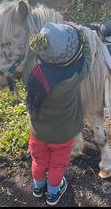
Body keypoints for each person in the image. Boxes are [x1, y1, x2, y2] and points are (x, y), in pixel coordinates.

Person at [26, 22, 92, 206]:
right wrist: (85, 40)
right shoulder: (75, 75)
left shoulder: (33, 74)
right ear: (69, 57)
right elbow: (88, 60)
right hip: (63, 135)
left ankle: (38, 187)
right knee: (57, 165)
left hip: (38, 133)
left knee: (38, 161)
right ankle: (53, 193)